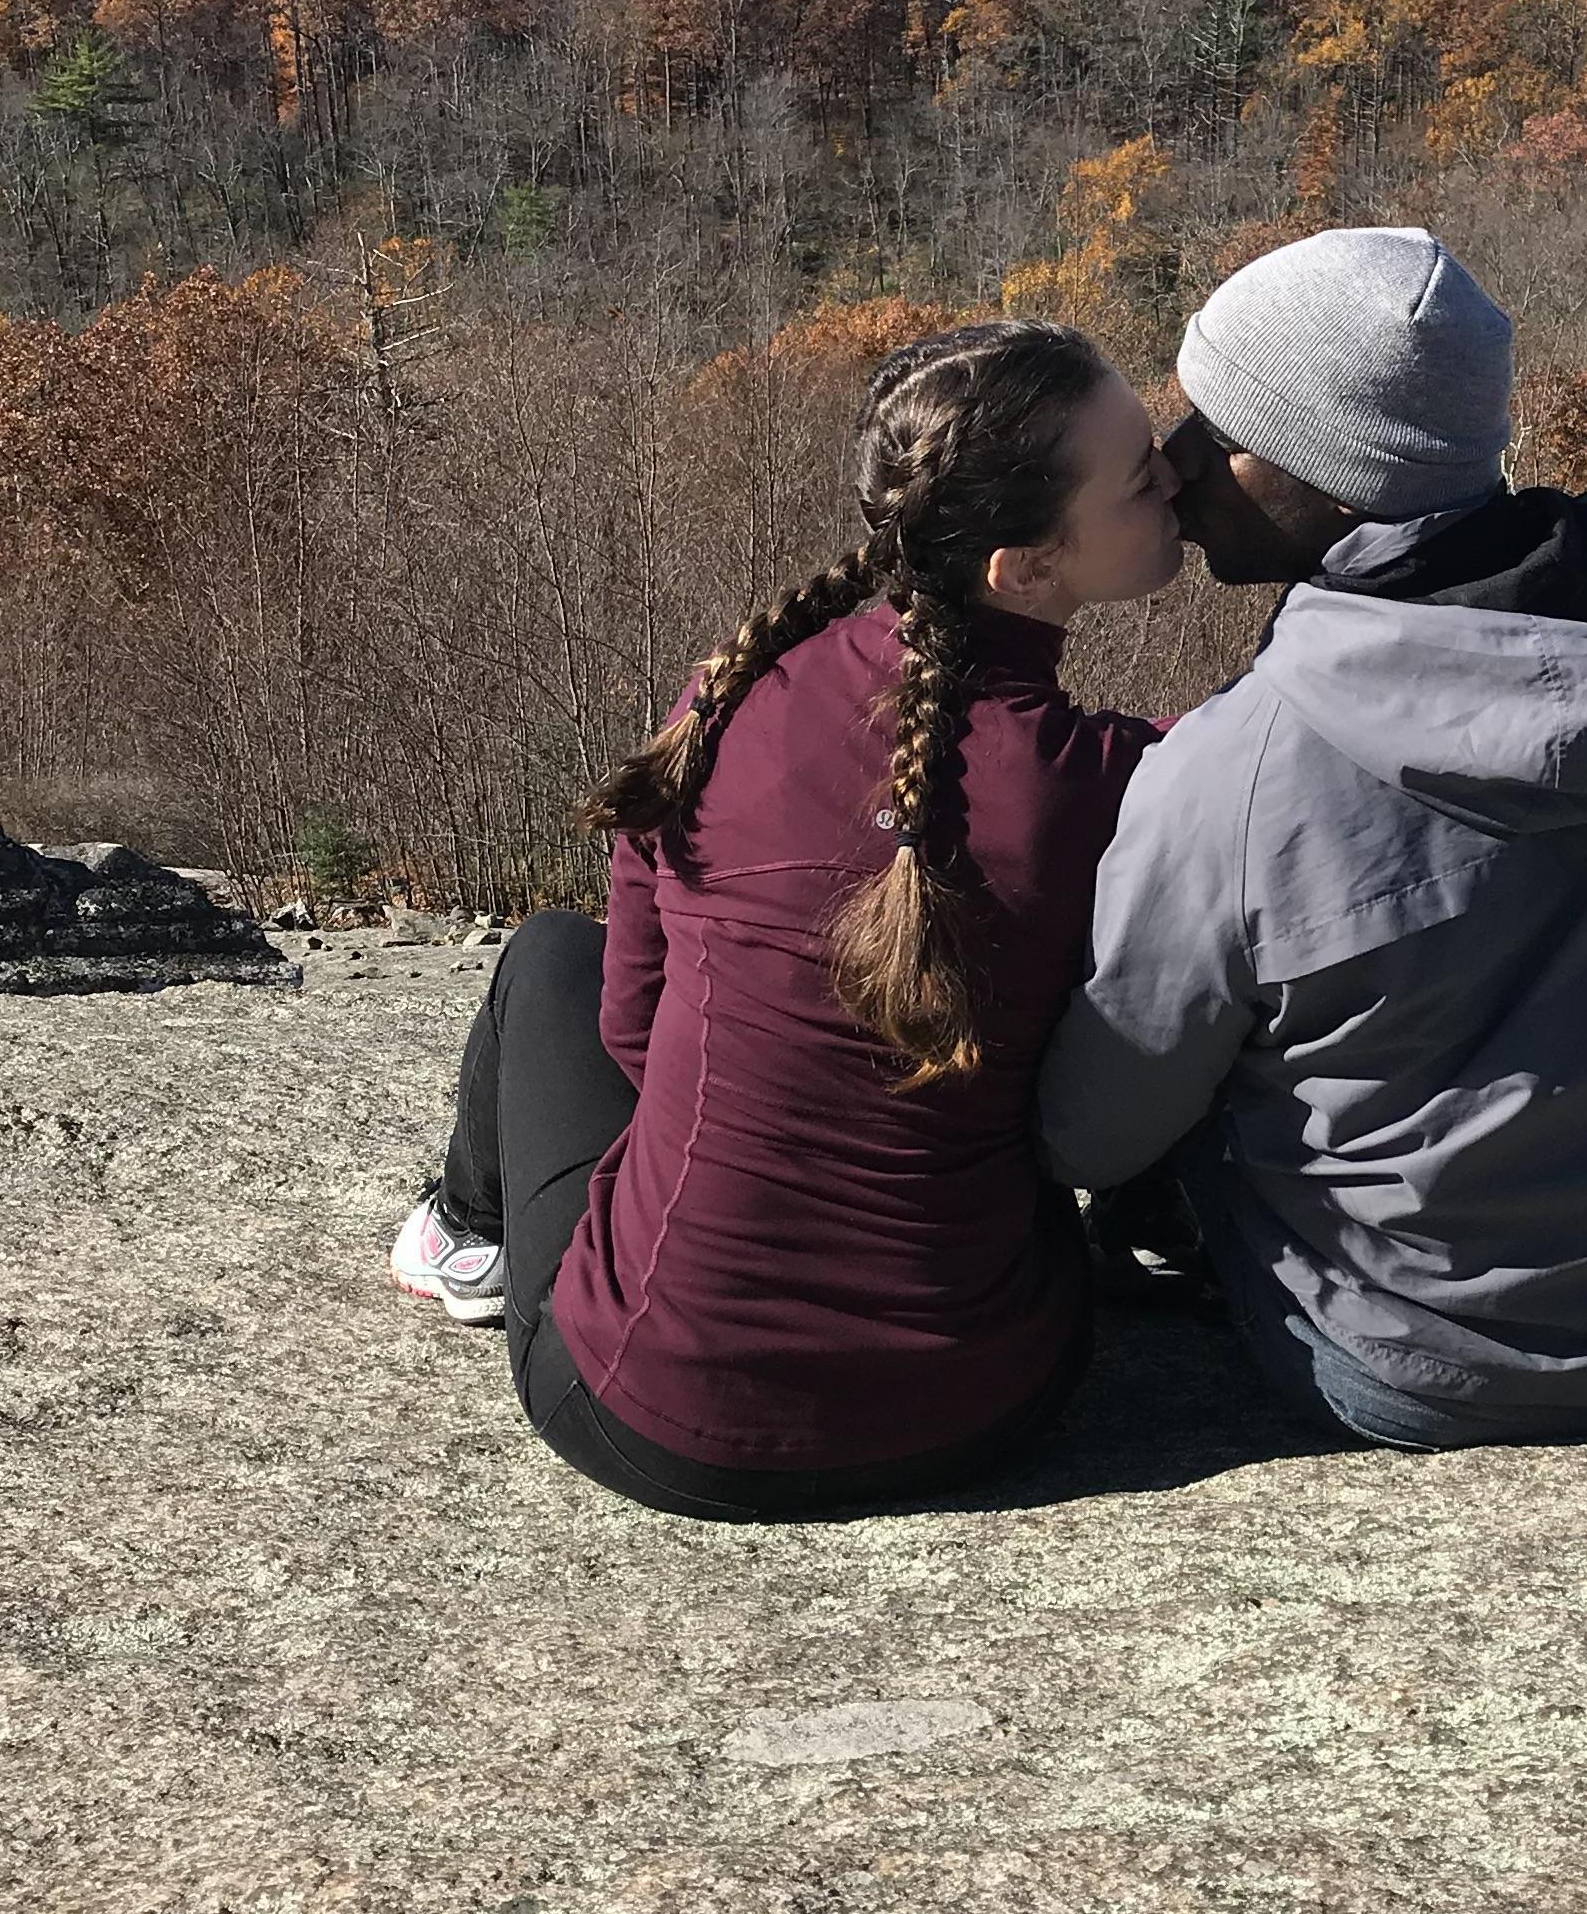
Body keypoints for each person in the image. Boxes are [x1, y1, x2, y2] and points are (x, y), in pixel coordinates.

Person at [1038, 225, 1587, 1448]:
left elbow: (1092, 1129)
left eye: (1219, 436)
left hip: (1395, 1360)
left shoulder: (1234, 770)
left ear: (1330, 480)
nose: (1172, 466)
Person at [391, 320, 1181, 1517]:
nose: (1178, 475)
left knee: (551, 953)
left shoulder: (733, 690)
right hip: (990, 1402)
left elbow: (635, 1035)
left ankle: (463, 1236)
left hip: (654, 1413)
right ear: (1022, 568)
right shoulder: (1128, 781)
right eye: (1142, 475)